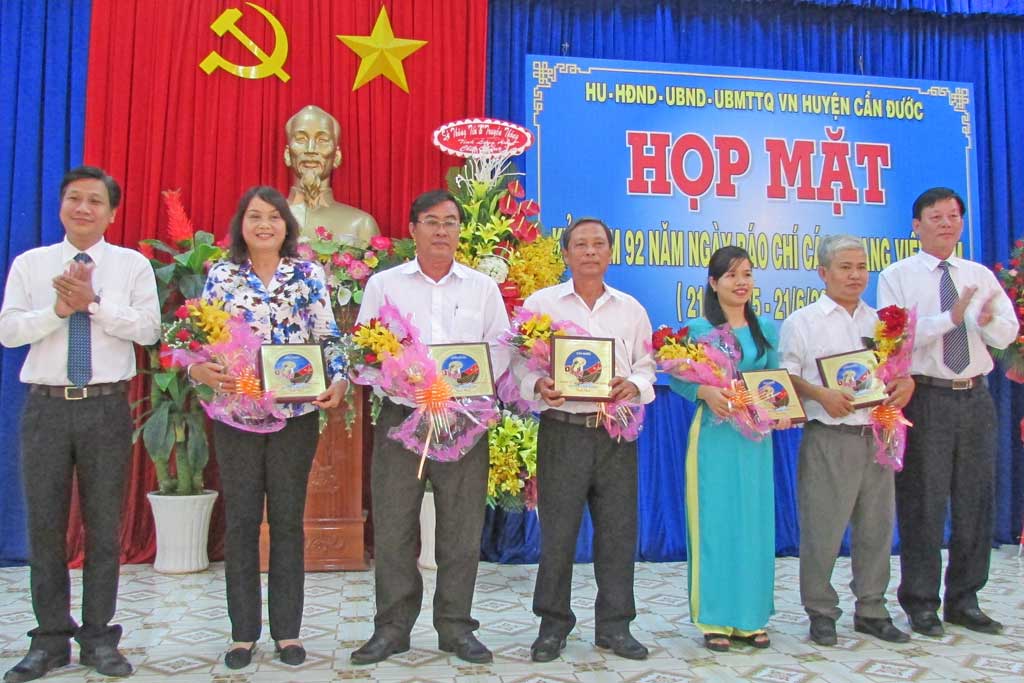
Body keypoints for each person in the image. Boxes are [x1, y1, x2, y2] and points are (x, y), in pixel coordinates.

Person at [0, 166, 160, 681]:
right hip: (46, 407)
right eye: (75, 198)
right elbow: (9, 331)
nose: (83, 208)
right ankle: (49, 639)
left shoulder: (131, 265)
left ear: (112, 213)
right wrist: (57, 310)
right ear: (61, 206)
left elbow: (149, 329)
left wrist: (93, 305)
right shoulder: (32, 264)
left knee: (104, 526)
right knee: (45, 526)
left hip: (105, 407)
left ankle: (97, 638)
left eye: (95, 201)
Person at [188, 186, 347, 669]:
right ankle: (242, 635)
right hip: (235, 415)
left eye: (274, 217)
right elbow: (201, 339)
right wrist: (197, 369)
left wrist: (339, 378)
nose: (264, 225)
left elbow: (329, 336)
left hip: (294, 416)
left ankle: (287, 632)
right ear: (241, 224)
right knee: (240, 522)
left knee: (287, 521)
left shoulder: (307, 274)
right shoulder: (222, 274)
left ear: (286, 226)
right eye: (255, 216)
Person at [349, 190, 510, 665]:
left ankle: (456, 627)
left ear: (460, 230)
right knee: (394, 525)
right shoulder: (385, 285)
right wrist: (402, 382)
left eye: (451, 222)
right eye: (432, 221)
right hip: (403, 416)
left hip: (464, 420)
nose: (442, 230)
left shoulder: (481, 288)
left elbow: (500, 348)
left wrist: (465, 385)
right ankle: (392, 628)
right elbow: (365, 351)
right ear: (413, 229)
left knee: (462, 527)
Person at [512, 217, 656, 662]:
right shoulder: (541, 305)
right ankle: (552, 626)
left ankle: (615, 627)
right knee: (558, 534)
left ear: (610, 252)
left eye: (598, 244)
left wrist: (634, 384)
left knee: (618, 532)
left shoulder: (631, 309)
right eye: (580, 244)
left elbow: (647, 366)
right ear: (566, 253)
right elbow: (518, 365)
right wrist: (538, 385)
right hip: (563, 431)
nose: (590, 251)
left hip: (615, 434)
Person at [878, 187, 1016, 637]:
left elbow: (1007, 333)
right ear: (916, 226)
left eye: (953, 216)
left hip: (975, 396)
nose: (946, 223)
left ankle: (965, 599)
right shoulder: (897, 276)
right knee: (923, 501)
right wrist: (950, 318)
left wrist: (986, 321)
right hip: (926, 396)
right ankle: (921, 602)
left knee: (976, 499)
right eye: (935, 217)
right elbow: (894, 338)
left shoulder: (979, 275)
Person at [778, 235, 913, 646]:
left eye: (861, 267)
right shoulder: (803, 321)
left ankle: (872, 609)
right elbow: (786, 376)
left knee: (876, 528)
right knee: (823, 529)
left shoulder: (883, 323)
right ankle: (821, 611)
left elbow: (896, 371)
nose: (856, 276)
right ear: (823, 273)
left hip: (876, 434)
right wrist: (821, 394)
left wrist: (906, 383)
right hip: (829, 436)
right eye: (845, 267)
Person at [668, 245, 790, 652]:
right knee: (715, 523)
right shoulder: (698, 330)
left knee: (754, 523)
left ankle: (751, 618)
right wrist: (704, 391)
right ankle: (715, 618)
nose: (741, 282)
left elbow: (775, 379)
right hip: (714, 436)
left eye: (747, 274)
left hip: (755, 440)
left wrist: (781, 409)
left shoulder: (765, 329)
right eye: (732, 275)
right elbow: (677, 377)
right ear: (713, 282)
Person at [284, 105, 379, 246]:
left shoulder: (361, 225)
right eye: (301, 139)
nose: (311, 149)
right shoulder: (264, 223)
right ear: (287, 154)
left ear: (337, 156)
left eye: (322, 140)